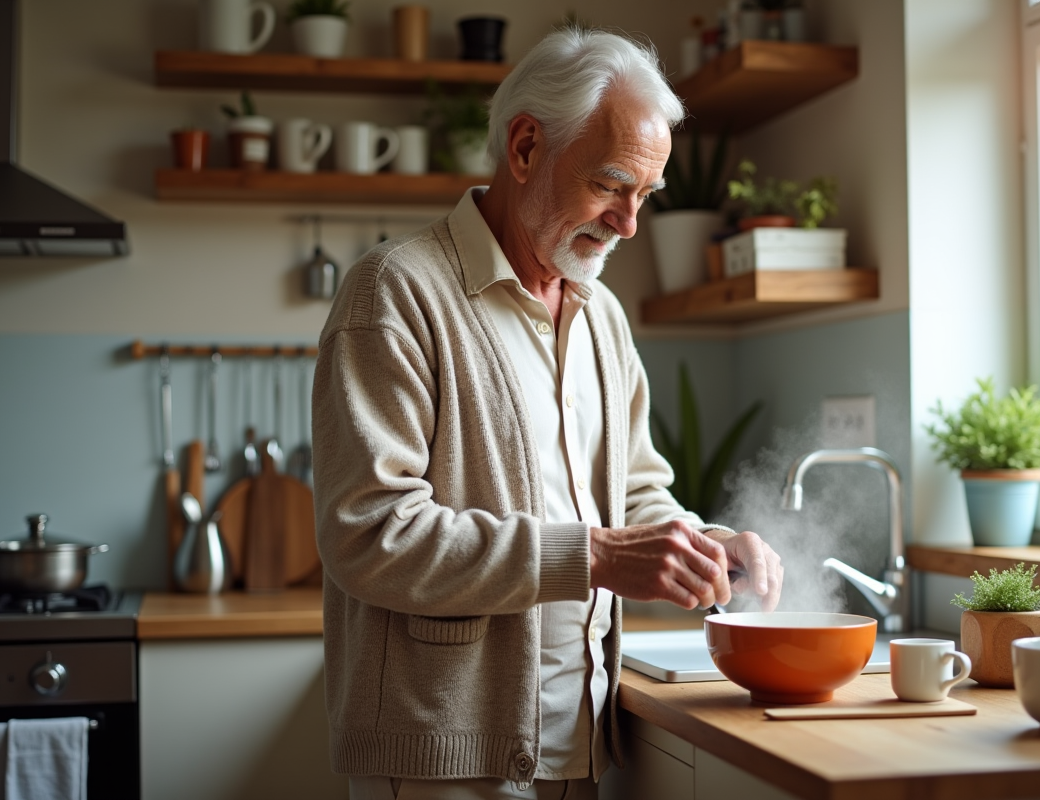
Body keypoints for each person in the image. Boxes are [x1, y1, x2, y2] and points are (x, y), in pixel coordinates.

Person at [312, 27, 784, 800]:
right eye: (610, 185)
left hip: (579, 740)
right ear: (526, 147)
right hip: (441, 753)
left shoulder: (601, 316)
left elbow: (635, 493)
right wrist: (594, 557)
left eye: (646, 195)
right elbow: (369, 535)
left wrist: (702, 543)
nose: (629, 223)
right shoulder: (395, 291)